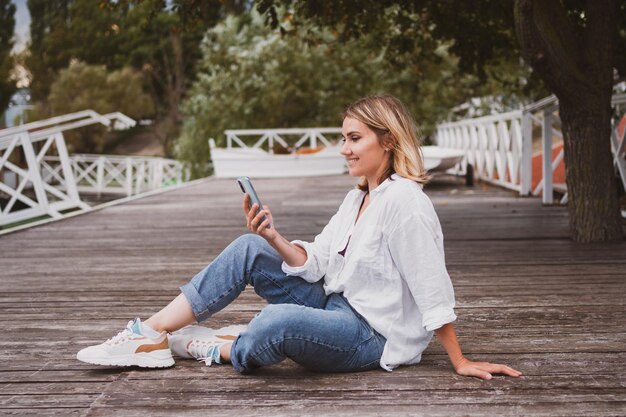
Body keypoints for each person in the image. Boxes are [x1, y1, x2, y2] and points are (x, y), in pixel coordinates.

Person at [77, 95, 521, 380]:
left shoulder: (405, 202)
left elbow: (431, 286)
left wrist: (459, 360)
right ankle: (150, 334)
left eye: (354, 138)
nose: (344, 148)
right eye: (342, 138)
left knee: (275, 322)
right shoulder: (359, 197)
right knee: (250, 247)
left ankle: (217, 347)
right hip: (333, 301)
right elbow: (320, 258)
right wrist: (272, 237)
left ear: (387, 141)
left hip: (370, 334)